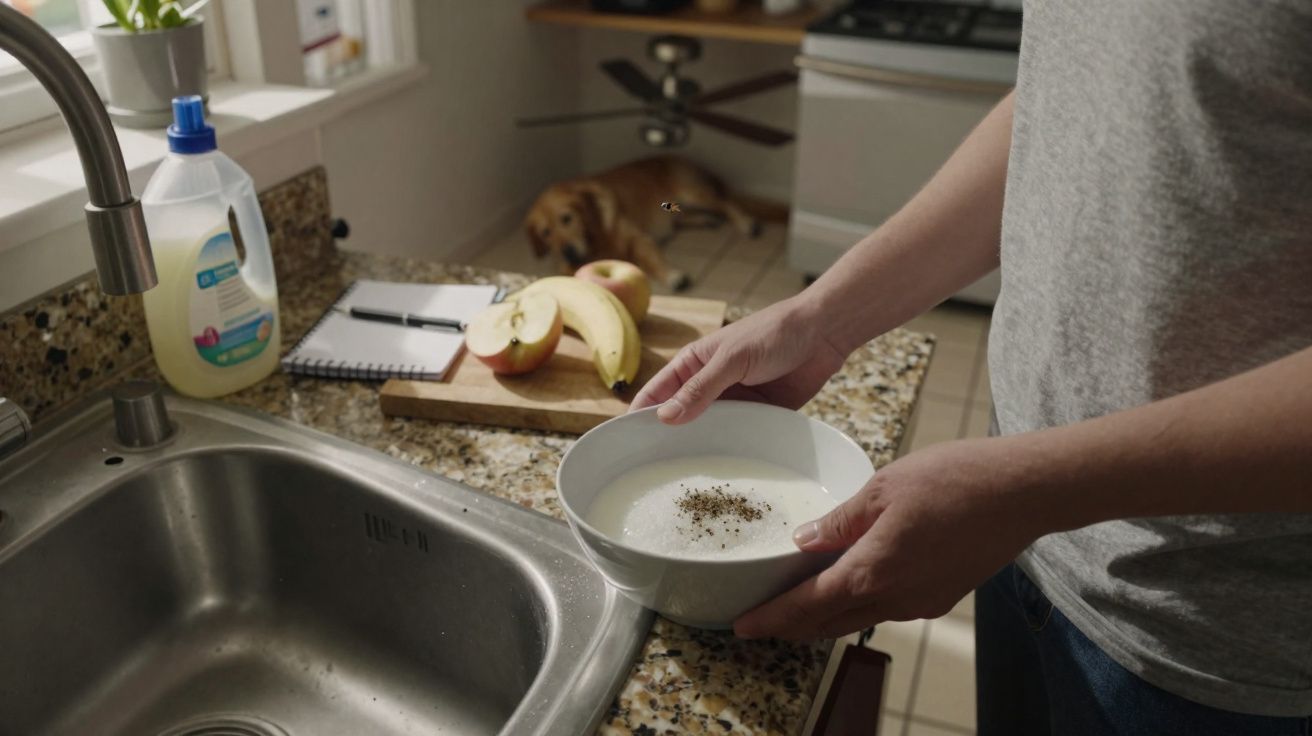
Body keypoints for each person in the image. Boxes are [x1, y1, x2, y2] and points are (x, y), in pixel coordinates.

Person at [629, 2, 1312, 734]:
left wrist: (1027, 489)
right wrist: (823, 319)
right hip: (1018, 535)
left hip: (1207, 637)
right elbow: (1073, 98)